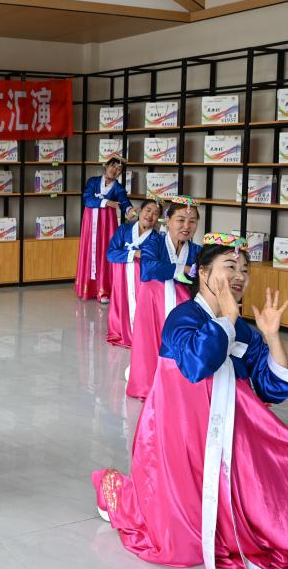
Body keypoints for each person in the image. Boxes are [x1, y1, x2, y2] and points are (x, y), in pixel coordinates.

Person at [93, 234, 288, 569]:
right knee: (179, 544)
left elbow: (273, 388)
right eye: (230, 266)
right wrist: (229, 317)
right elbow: (196, 364)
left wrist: (272, 337)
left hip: (236, 432)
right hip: (183, 439)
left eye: (245, 270)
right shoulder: (182, 317)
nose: (240, 276)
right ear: (203, 273)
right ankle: (115, 491)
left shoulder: (244, 331)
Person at [125, 196, 201, 400]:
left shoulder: (196, 251)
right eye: (181, 220)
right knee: (149, 344)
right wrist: (183, 269)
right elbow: (148, 268)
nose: (186, 226)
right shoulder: (154, 241)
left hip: (181, 308)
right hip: (152, 303)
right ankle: (146, 383)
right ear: (167, 220)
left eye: (192, 221)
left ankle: (177, 383)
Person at [76, 156, 135, 302]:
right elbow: (87, 199)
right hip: (90, 222)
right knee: (89, 250)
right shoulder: (93, 181)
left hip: (107, 223)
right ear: (106, 166)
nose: (115, 170)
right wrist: (107, 202)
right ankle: (87, 288)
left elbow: (124, 202)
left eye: (119, 169)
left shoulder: (118, 188)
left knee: (105, 250)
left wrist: (129, 210)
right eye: (113, 166)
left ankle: (104, 290)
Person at [105, 199, 160, 348]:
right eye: (148, 210)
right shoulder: (124, 229)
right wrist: (134, 253)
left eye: (155, 213)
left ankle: (141, 336)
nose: (150, 215)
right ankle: (121, 332)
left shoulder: (156, 238)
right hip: (122, 280)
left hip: (141, 281)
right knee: (122, 304)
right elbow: (110, 254)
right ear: (140, 211)